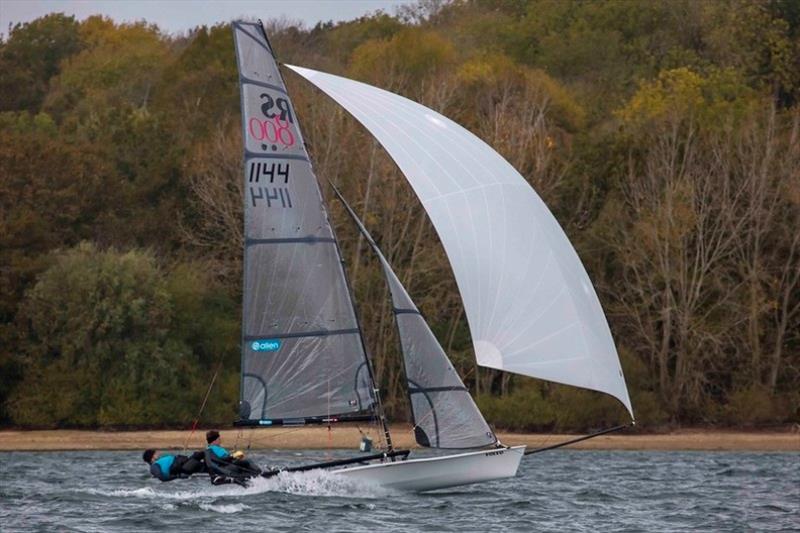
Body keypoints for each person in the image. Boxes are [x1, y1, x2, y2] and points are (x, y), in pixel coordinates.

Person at [142, 449, 206, 482]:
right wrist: (177, 476)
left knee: (199, 455)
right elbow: (162, 478)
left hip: (184, 463)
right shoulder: (154, 466)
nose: (158, 454)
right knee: (200, 454)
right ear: (152, 457)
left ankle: (212, 470)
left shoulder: (160, 461)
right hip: (184, 468)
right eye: (155, 454)